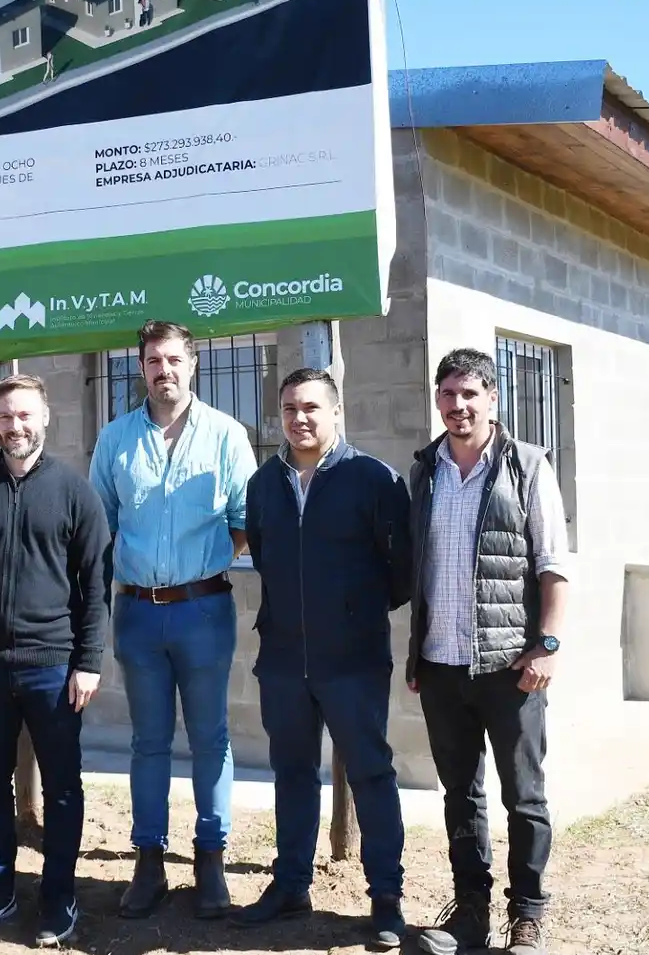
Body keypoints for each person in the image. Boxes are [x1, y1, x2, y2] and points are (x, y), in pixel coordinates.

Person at [233, 368, 412, 949]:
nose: (299, 418)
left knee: (371, 774)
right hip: (283, 659)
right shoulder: (265, 485)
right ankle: (290, 886)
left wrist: (352, 615)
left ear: (336, 411)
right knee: (290, 774)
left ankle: (386, 898)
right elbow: (265, 557)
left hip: (354, 662)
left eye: (311, 407)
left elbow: (401, 571)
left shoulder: (373, 479)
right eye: (289, 408)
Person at [0, 374, 111, 948]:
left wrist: (88, 659)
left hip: (54, 667)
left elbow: (96, 586)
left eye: (25, 416)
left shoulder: (74, 492)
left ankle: (58, 896)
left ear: (45, 417)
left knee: (62, 785)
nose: (16, 426)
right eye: (6, 417)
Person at [89, 320, 257, 920]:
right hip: (136, 612)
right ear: (141, 368)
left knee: (210, 738)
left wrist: (198, 566)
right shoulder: (115, 439)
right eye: (154, 361)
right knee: (148, 742)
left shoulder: (227, 435)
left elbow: (243, 519)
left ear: (194, 363)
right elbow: (100, 525)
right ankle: (149, 860)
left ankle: (210, 860)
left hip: (203, 611)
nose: (165, 371)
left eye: (175, 360)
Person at [408, 349, 570, 955]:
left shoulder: (528, 467)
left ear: (493, 399)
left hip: (510, 668)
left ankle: (526, 916)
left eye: (470, 394)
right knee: (460, 794)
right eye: (448, 395)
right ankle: (470, 913)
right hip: (442, 665)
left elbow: (553, 566)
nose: (458, 406)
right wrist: (416, 657)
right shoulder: (425, 471)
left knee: (523, 794)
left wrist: (547, 646)